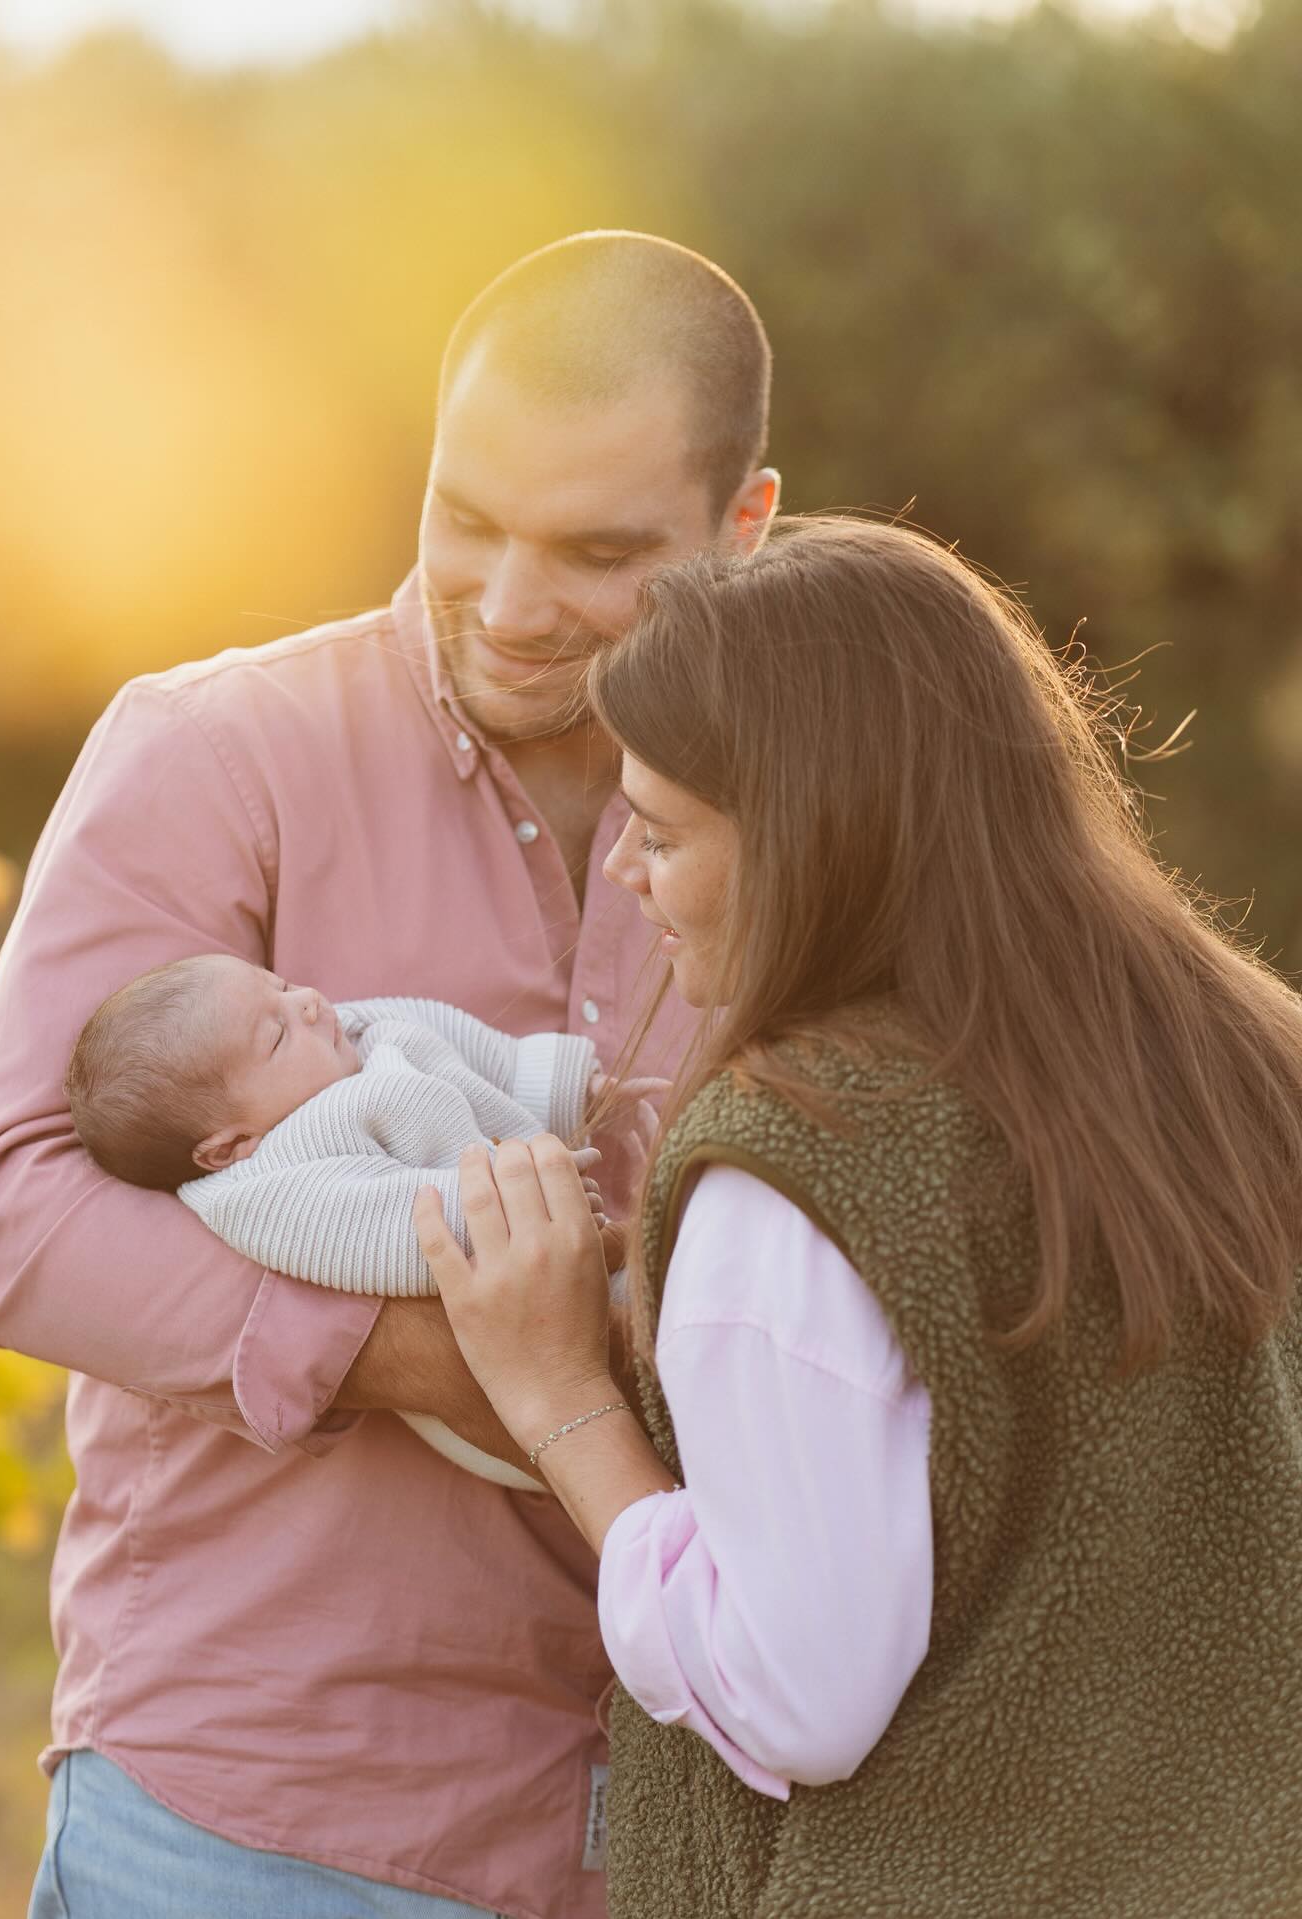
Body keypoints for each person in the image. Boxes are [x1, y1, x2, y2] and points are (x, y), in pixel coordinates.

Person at [0, 232, 780, 1919]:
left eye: (599, 550)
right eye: (467, 518)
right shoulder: (215, 751)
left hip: (697, 1834)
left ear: (742, 528)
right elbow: (2, 1212)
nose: (512, 602)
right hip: (258, 1825)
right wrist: (437, 1362)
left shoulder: (820, 820)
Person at [415, 516, 1302, 1919]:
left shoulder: (796, 1169)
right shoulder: (1245, 1054)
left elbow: (795, 1694)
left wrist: (561, 1393)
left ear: (817, 835)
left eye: (660, 832)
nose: (632, 880)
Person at [66, 950, 633, 1488]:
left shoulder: (355, 1035)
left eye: (280, 985)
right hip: (508, 1365)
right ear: (228, 1146)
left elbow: (457, 1039)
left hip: (552, 1236)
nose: (307, 1002)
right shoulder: (268, 1182)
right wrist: (526, 1204)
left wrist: (568, 1086)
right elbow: (395, 1230)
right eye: (277, 1034)